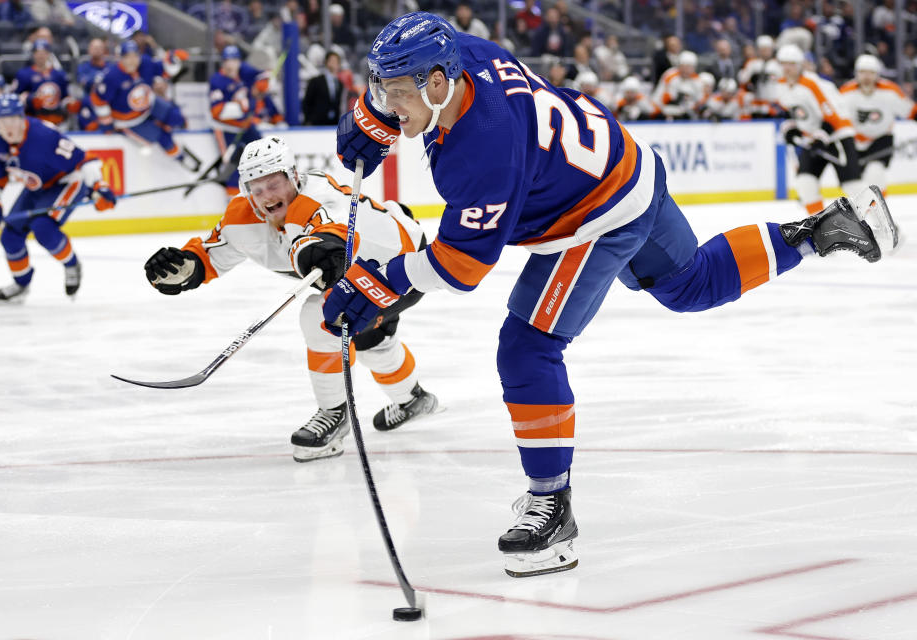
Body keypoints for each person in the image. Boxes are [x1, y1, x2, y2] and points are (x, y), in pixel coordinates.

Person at [330, 12, 900, 578]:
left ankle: (552, 507)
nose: (389, 100)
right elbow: (412, 92)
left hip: (592, 215)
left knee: (527, 347)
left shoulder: (481, 151)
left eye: (398, 91)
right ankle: (819, 232)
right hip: (627, 164)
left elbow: (461, 264)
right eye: (382, 87)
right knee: (691, 284)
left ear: (437, 83)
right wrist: (374, 112)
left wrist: (379, 282)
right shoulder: (461, 53)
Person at [143, 136, 439, 460]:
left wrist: (323, 249)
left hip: (403, 262)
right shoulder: (241, 217)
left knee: (322, 315)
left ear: (294, 176)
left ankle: (334, 415)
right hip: (366, 270)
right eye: (257, 189)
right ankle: (414, 399)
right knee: (372, 340)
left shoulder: (318, 197)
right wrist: (185, 267)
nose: (267, 197)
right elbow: (210, 255)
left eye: (274, 184)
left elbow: (332, 231)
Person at [0, 94, 117, 303]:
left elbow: (84, 160)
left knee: (43, 228)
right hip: (37, 187)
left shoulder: (43, 136)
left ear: (22, 118)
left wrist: (99, 186)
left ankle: (72, 266)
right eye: (3, 120)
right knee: (10, 235)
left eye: (14, 119)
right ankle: (21, 284)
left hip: (67, 181)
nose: (9, 126)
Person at [775, 44, 863, 215]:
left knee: (852, 186)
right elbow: (789, 111)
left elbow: (833, 116)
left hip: (838, 136)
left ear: (800, 64)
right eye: (783, 63)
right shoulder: (780, 84)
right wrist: (790, 128)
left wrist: (820, 137)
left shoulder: (813, 83)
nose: (787, 68)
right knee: (805, 182)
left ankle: (877, 223)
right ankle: (818, 227)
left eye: (791, 64)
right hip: (814, 139)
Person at [91, 41, 198, 171]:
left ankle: (171, 129)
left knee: (176, 117)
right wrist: (108, 125)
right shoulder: (111, 76)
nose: (132, 61)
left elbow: (166, 71)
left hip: (149, 105)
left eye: (135, 56)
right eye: (127, 57)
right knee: (162, 137)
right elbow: (99, 101)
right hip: (128, 120)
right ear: (121, 58)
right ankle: (180, 158)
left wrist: (172, 59)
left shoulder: (145, 63)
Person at [839, 54, 917, 194]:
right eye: (862, 72)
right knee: (852, 186)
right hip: (853, 143)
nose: (866, 77)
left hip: (881, 140)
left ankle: (878, 213)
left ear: (877, 74)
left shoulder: (890, 91)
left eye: (871, 73)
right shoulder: (845, 92)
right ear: (856, 73)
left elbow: (911, 111)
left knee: (875, 174)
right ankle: (864, 213)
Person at [209, 45, 262, 195]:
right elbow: (217, 111)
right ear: (223, 63)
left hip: (245, 127)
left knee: (261, 153)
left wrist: (263, 83)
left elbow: (262, 76)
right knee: (233, 167)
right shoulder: (217, 81)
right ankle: (234, 205)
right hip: (226, 129)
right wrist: (242, 106)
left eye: (235, 60)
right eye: (228, 60)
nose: (231, 64)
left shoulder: (244, 73)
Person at [13, 39, 79, 128]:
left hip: (57, 120)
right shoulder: (23, 74)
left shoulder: (59, 74)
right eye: (38, 53)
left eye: (43, 53)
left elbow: (65, 96)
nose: (41, 56)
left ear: (48, 54)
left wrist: (69, 102)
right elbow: (16, 98)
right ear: (33, 54)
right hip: (34, 120)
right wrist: (29, 99)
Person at [738, 35, 782, 119]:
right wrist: (752, 77)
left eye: (767, 49)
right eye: (762, 49)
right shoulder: (752, 63)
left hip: (772, 102)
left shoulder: (777, 64)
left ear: (771, 50)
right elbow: (742, 79)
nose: (764, 52)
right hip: (756, 102)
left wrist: (769, 77)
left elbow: (783, 81)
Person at [653, 50, 706, 120]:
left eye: (689, 67)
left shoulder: (697, 81)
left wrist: (692, 107)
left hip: (688, 114)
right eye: (683, 66)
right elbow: (657, 98)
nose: (685, 70)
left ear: (694, 68)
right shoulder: (670, 76)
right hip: (668, 112)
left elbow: (701, 100)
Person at [302, 50, 344, 126]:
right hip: (316, 123)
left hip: (333, 123)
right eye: (332, 60)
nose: (335, 63)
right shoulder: (316, 81)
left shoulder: (340, 84)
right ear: (326, 62)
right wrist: (308, 120)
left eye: (337, 61)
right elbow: (306, 102)